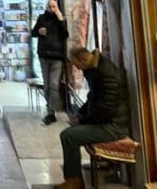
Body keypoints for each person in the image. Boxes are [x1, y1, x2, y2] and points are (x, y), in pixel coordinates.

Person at [54, 47, 131, 189]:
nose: (77, 68)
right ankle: (73, 178)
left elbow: (106, 109)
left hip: (114, 126)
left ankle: (74, 181)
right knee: (70, 133)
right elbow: (93, 98)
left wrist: (83, 120)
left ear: (83, 60)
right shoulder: (95, 69)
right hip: (108, 121)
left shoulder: (105, 73)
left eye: (77, 65)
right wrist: (80, 115)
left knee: (68, 136)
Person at [31, 0, 70, 125]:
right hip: (44, 55)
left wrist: (60, 19)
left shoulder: (60, 19)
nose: (52, 9)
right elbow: (33, 33)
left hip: (57, 57)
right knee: (47, 86)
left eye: (54, 6)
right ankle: (51, 111)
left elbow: (65, 35)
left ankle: (52, 111)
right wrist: (38, 31)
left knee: (54, 84)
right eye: (50, 6)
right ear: (47, 7)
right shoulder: (42, 18)